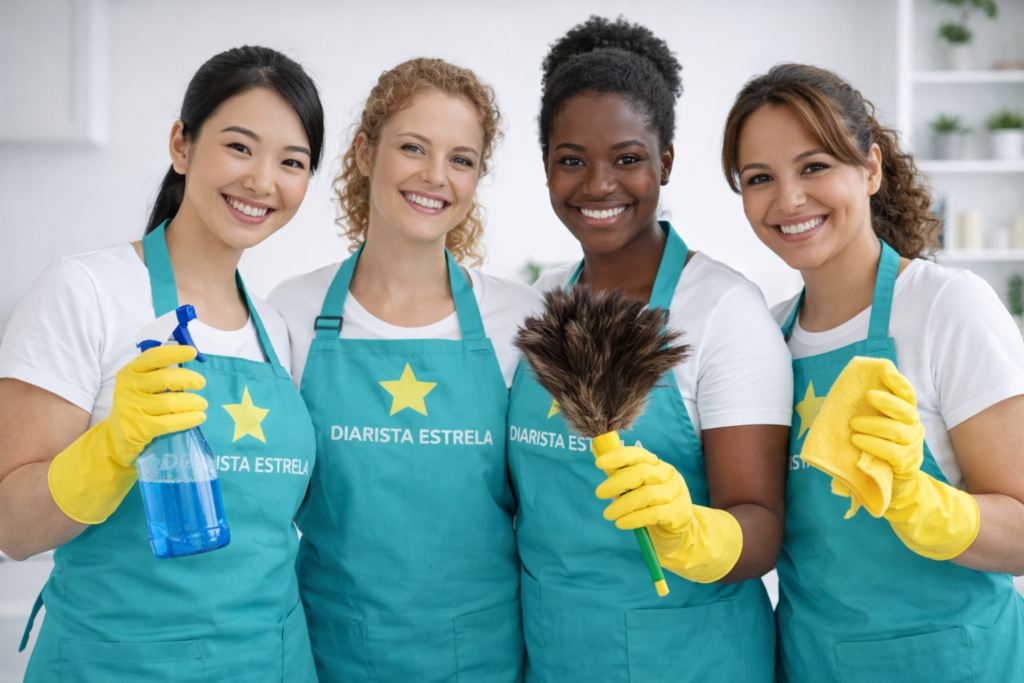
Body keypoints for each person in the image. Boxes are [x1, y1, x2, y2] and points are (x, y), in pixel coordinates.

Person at [0, 45, 325, 682]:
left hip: (272, 664)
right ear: (182, 145)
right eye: (239, 146)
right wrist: (112, 448)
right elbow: (13, 526)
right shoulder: (84, 291)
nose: (263, 180)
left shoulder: (280, 329)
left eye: (292, 161)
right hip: (119, 666)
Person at [507, 16, 793, 683]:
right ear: (546, 165)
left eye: (627, 159)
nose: (598, 185)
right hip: (555, 649)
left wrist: (689, 529)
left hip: (687, 657)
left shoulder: (724, 311)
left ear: (666, 159)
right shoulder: (543, 300)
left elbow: (762, 525)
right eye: (571, 159)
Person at [722, 63, 1024, 682]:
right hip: (813, 664)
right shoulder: (764, 335)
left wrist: (925, 504)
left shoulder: (946, 307)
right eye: (759, 178)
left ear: (871, 168)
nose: (788, 199)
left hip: (953, 665)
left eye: (814, 166)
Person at [268, 57, 539, 683]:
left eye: (462, 159)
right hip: (334, 649)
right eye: (413, 147)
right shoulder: (291, 311)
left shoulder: (520, 320)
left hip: (484, 653)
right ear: (365, 153)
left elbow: (545, 503)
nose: (435, 177)